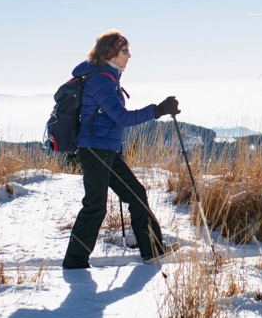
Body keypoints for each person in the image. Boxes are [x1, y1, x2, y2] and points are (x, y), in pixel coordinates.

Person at [62, 30, 180, 269]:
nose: (129, 55)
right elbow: (121, 117)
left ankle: (153, 250)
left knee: (136, 194)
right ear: (110, 53)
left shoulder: (107, 77)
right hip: (95, 150)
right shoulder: (100, 80)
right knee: (95, 206)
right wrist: (157, 110)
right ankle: (75, 262)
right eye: (124, 51)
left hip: (105, 149)